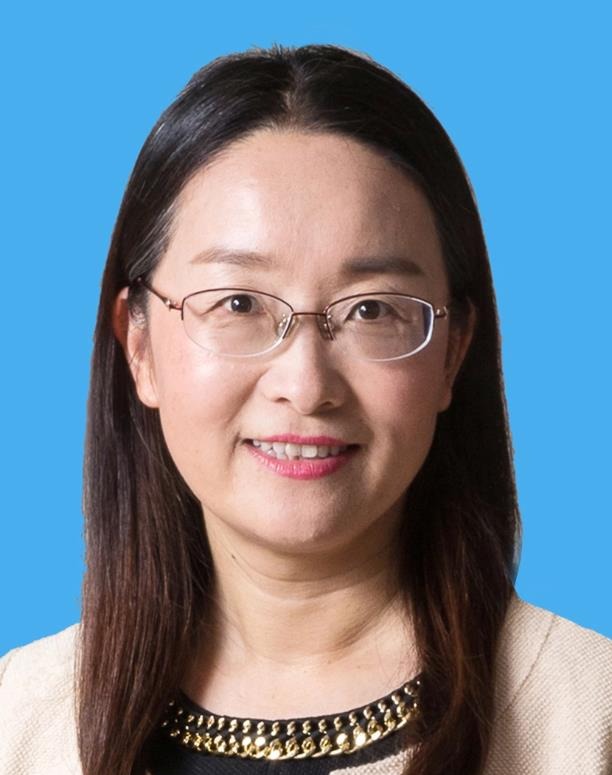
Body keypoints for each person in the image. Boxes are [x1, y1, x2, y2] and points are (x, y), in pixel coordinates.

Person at [0, 43, 610, 775]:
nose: (306, 383)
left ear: (452, 352)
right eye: (238, 303)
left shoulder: (586, 718)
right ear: (139, 346)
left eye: (372, 309)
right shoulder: (21, 723)